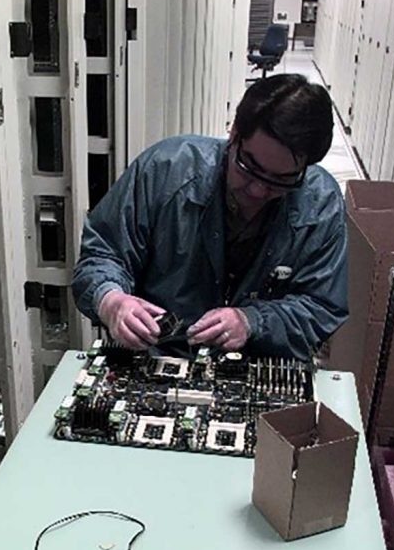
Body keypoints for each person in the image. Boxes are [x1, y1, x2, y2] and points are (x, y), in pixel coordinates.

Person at [72, 74, 347, 360]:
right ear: (234, 134)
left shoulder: (320, 204)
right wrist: (111, 300)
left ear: (306, 168)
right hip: (160, 356)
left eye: (280, 181)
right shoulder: (166, 171)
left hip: (258, 365)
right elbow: (102, 255)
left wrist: (253, 321)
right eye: (248, 167)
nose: (257, 190)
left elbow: (322, 306)